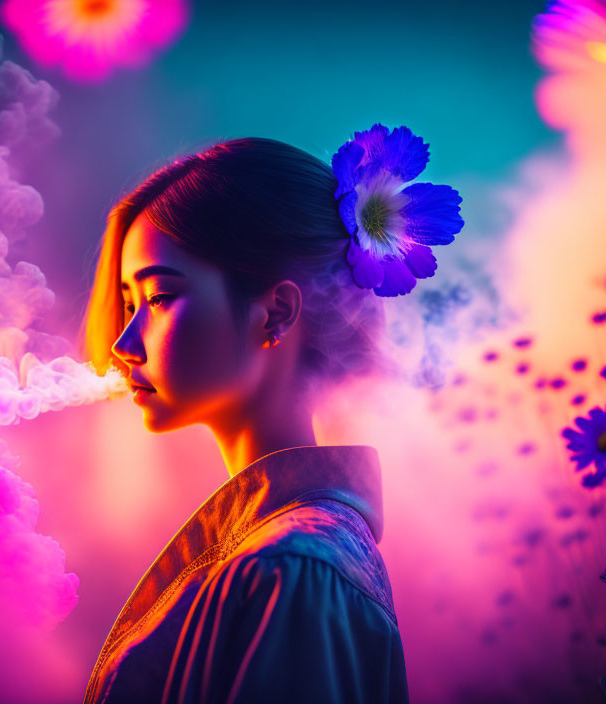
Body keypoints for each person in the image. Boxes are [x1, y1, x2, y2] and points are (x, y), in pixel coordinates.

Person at [76, 133, 444, 703]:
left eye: (157, 298)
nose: (123, 343)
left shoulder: (293, 569)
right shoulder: (280, 555)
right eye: (129, 303)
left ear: (276, 311)